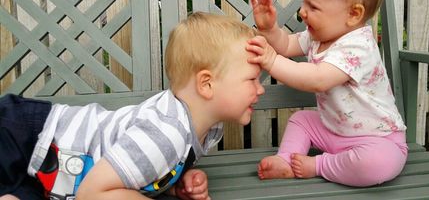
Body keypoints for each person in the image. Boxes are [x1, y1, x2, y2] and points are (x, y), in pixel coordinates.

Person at [0, 12, 264, 200]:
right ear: (206, 84)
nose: (260, 88)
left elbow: (138, 170)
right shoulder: (165, 133)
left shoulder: (205, 127)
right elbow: (91, 193)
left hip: (44, 176)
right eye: (252, 79)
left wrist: (172, 184)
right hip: (25, 138)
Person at [246, 0, 408, 187]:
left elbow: (318, 78)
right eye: (304, 3)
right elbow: (287, 45)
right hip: (333, 130)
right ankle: (285, 161)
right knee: (302, 119)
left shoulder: (359, 47)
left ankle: (320, 166)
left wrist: (271, 61)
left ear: (353, 14)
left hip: (377, 139)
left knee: (376, 163)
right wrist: (270, 30)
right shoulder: (318, 36)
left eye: (313, 7)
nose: (303, 12)